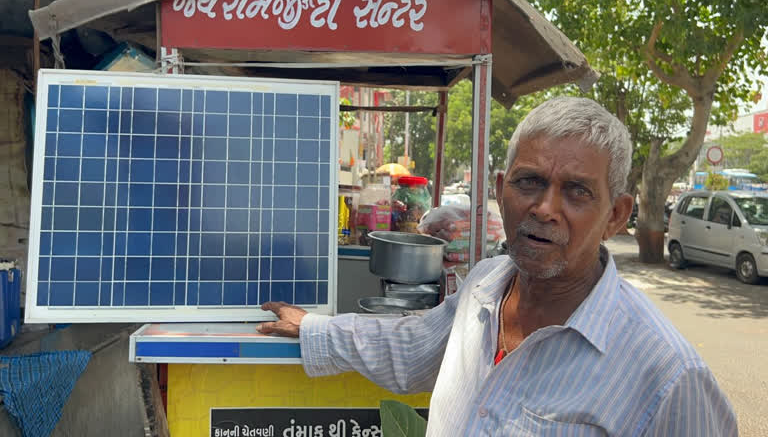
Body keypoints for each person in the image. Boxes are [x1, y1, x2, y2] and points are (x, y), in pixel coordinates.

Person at [258, 97, 737, 436]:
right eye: (529, 182)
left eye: (576, 191)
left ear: (616, 214)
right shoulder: (485, 287)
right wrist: (313, 328)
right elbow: (411, 349)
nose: (545, 208)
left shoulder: (669, 376)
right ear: (502, 189)